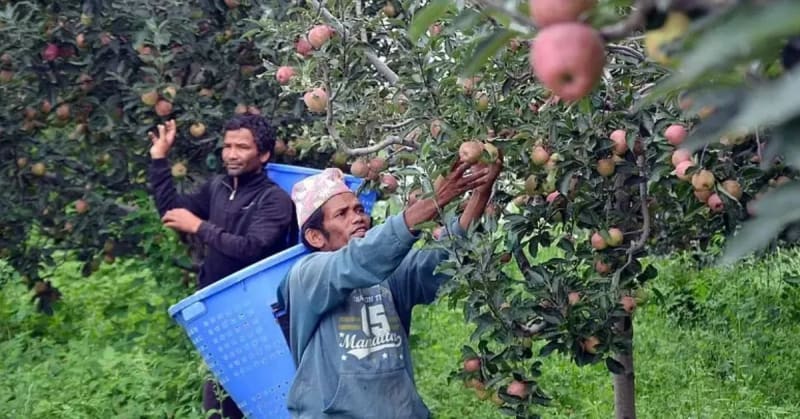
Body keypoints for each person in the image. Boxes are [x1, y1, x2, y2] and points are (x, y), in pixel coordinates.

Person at [277, 155, 502, 418]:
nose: (358, 218)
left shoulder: (386, 274)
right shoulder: (307, 276)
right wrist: (435, 199)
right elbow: (362, 257)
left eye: (359, 209)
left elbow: (442, 261)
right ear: (315, 236)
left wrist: (482, 191)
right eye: (342, 213)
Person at [148, 114, 298, 419]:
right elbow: (172, 211)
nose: (231, 154)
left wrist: (200, 227)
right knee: (219, 405)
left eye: (241, 147)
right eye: (227, 146)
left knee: (269, 401)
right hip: (220, 317)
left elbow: (251, 249)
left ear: (264, 154)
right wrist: (159, 159)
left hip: (259, 315)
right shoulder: (217, 187)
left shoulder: (275, 200)